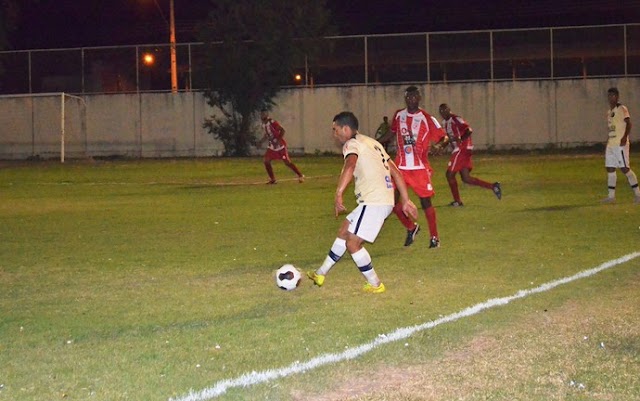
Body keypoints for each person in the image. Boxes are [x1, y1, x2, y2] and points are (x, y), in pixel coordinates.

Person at [307, 111, 418, 293]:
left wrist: (338, 193)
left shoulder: (352, 144)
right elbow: (396, 172)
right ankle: (321, 273)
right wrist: (405, 200)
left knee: (353, 244)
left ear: (346, 128)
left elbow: (350, 165)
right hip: (379, 199)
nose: (334, 134)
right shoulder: (373, 143)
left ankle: (375, 284)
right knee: (344, 231)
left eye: (335, 130)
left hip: (374, 201)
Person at [380, 85, 445, 248]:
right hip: (400, 168)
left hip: (419, 169)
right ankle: (411, 227)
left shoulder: (426, 117)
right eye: (408, 97)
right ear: (405, 98)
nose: (411, 100)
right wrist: (375, 143)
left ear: (419, 98)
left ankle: (434, 238)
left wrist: (440, 146)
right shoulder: (399, 115)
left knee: (425, 203)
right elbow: (391, 133)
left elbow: (443, 138)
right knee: (391, 203)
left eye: (414, 97)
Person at [438, 103, 502, 206]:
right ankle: (493, 186)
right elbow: (448, 138)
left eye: (445, 110)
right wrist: (441, 147)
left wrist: (461, 139)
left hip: (462, 149)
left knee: (449, 174)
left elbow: (469, 130)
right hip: (461, 150)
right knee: (466, 178)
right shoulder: (445, 123)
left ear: (449, 109)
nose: (443, 113)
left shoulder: (456, 119)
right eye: (441, 111)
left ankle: (457, 201)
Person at [602, 88, 640, 204]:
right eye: (609, 96)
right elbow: (611, 128)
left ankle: (638, 194)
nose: (611, 98)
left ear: (617, 97)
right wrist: (607, 141)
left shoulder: (622, 109)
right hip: (611, 144)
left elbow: (628, 123)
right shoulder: (609, 112)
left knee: (624, 168)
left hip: (620, 144)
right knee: (610, 168)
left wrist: (624, 137)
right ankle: (611, 196)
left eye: (613, 95)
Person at [258, 109, 305, 184]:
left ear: (267, 114)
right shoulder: (263, 124)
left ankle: (300, 175)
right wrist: (261, 142)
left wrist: (279, 140)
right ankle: (272, 179)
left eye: (264, 114)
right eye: (261, 114)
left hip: (280, 146)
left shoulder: (272, 122)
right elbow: (267, 134)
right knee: (266, 161)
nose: (262, 115)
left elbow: (282, 130)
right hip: (272, 146)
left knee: (287, 162)